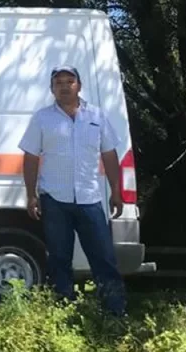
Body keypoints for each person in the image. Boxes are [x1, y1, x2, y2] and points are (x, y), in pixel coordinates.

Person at [17, 65, 127, 316]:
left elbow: (110, 155)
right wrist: (31, 194)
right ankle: (63, 310)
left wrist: (116, 191)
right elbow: (31, 157)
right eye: (58, 82)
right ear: (51, 88)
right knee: (58, 258)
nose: (64, 86)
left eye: (69, 81)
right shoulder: (42, 118)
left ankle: (115, 311)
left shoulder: (97, 116)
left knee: (104, 258)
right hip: (55, 199)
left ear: (79, 85)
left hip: (90, 199)